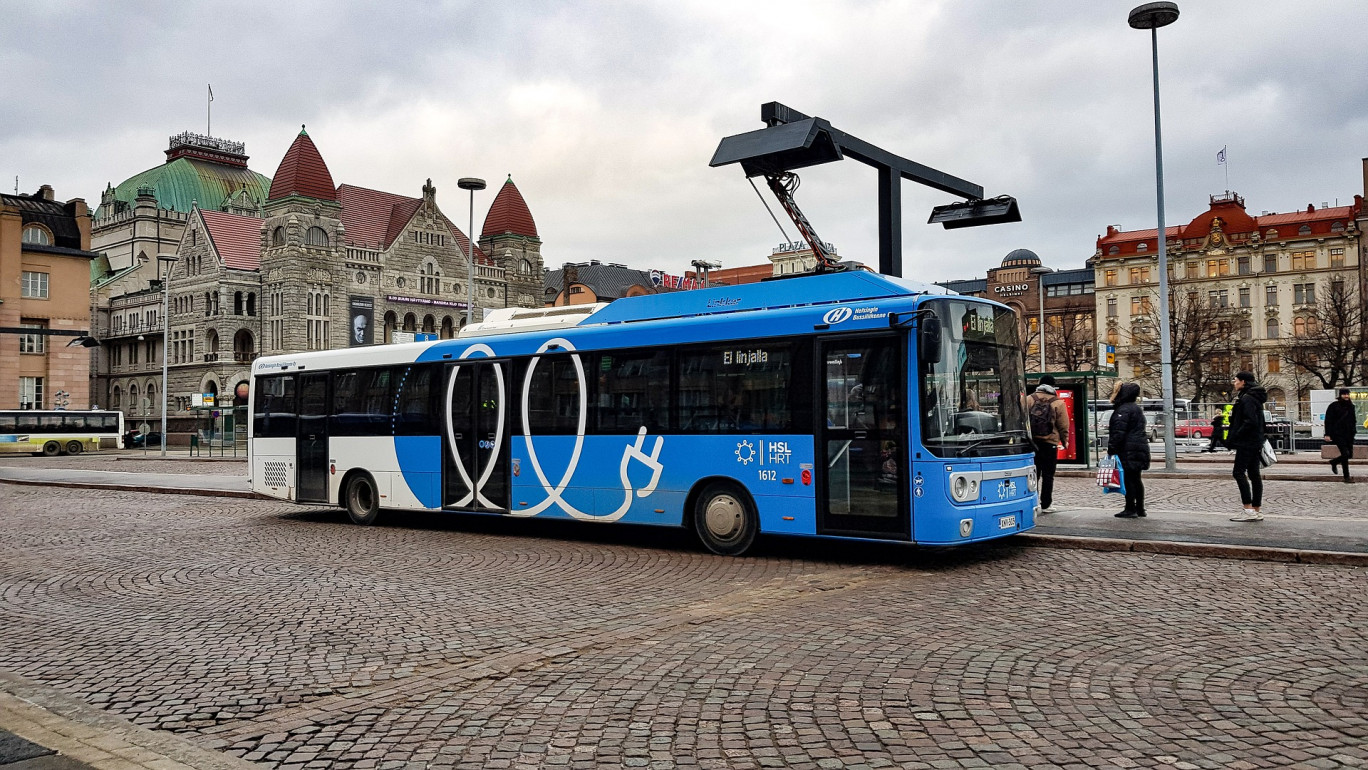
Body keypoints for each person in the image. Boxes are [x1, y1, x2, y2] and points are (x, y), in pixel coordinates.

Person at [1026, 374, 1070, 513]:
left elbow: (1022, 420)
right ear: (1053, 385)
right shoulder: (1058, 402)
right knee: (1048, 475)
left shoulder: (1028, 399)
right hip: (1050, 443)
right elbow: (1063, 425)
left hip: (1032, 443)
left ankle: (1032, 502)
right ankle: (1046, 504)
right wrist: (1065, 440)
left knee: (1033, 474)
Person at [1106, 381, 1149, 518]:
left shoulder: (1123, 410)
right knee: (1136, 478)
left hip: (1128, 448)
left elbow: (1119, 432)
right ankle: (1140, 508)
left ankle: (1130, 508)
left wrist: (1111, 448)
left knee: (1129, 479)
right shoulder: (1135, 408)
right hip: (1138, 447)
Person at [1228, 371, 1267, 521]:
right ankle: (1256, 509)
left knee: (1238, 472)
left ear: (1243, 382)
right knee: (1254, 474)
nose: (1234, 382)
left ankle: (1248, 509)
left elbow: (1250, 421)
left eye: (1236, 379)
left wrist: (1236, 434)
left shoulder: (1247, 398)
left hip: (1247, 441)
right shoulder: (1255, 397)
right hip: (1255, 440)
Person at [1325, 387, 1357, 484]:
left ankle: (1334, 462)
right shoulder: (1334, 406)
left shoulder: (1351, 406)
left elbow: (1353, 420)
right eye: (1344, 394)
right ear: (1340, 395)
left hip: (1349, 434)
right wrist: (1327, 434)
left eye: (1347, 394)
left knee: (1349, 455)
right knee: (1345, 454)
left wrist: (1353, 431)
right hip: (1338, 434)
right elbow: (1328, 421)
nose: (1346, 396)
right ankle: (1346, 477)